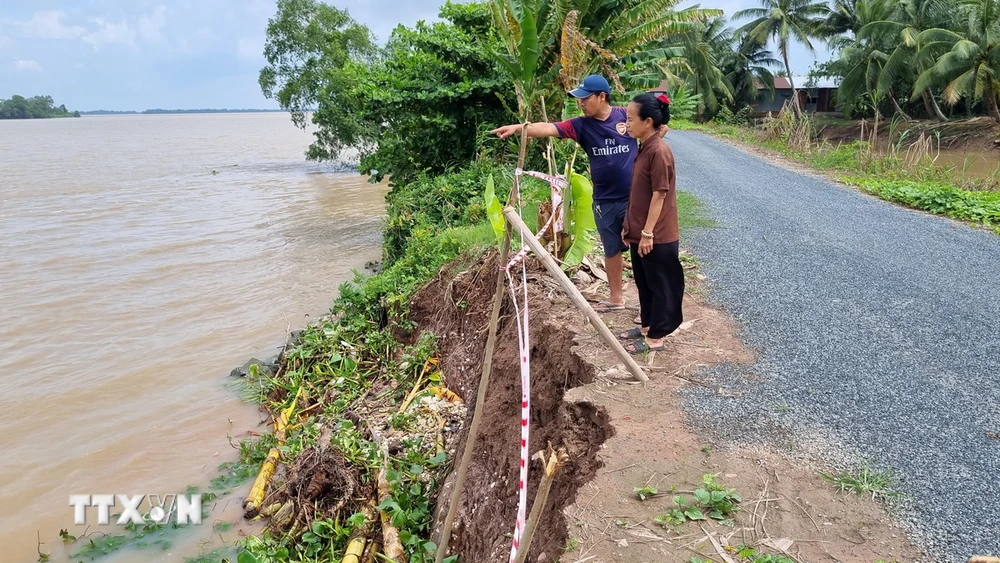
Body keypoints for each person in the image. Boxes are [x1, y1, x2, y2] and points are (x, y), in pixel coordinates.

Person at [491, 74, 644, 313]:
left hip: (635, 198)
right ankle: (616, 298)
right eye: (578, 99)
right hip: (604, 199)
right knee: (612, 249)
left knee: (640, 249)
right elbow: (549, 128)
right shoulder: (580, 125)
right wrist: (519, 129)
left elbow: (656, 126)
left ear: (602, 97)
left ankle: (650, 307)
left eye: (585, 98)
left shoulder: (627, 115)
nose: (580, 103)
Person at [619, 92, 683, 354]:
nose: (627, 124)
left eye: (631, 119)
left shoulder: (659, 151)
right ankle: (647, 325)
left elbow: (660, 194)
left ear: (647, 122)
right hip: (641, 233)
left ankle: (656, 337)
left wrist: (647, 233)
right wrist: (631, 228)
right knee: (644, 282)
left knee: (660, 284)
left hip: (657, 235)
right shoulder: (645, 145)